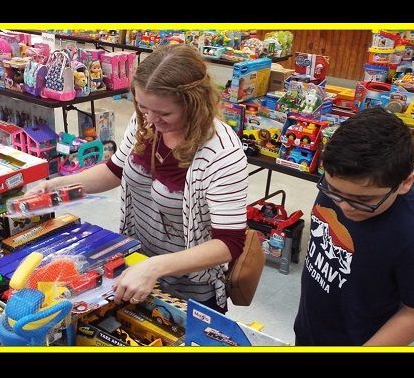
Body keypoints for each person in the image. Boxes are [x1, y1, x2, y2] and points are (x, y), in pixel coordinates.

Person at [26, 44, 248, 313]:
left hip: (189, 288)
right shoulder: (145, 121)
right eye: (143, 108)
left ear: (195, 105)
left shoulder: (222, 152)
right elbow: (114, 171)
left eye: (164, 113)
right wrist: (56, 185)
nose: (151, 120)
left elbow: (229, 244)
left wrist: (155, 267)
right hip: (134, 264)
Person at [294, 107, 414, 346]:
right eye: (334, 191)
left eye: (364, 200)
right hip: (310, 329)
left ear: (406, 182)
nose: (345, 206)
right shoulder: (339, 184)